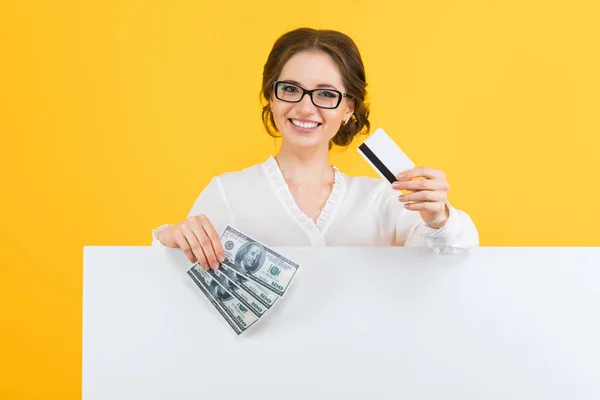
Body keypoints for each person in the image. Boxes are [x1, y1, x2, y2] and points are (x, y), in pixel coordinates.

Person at [152, 28, 479, 270]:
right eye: (291, 89)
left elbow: (454, 258)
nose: (306, 108)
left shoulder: (383, 201)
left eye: (325, 94)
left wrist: (439, 218)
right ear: (271, 95)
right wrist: (169, 240)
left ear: (348, 107)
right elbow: (168, 286)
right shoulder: (228, 194)